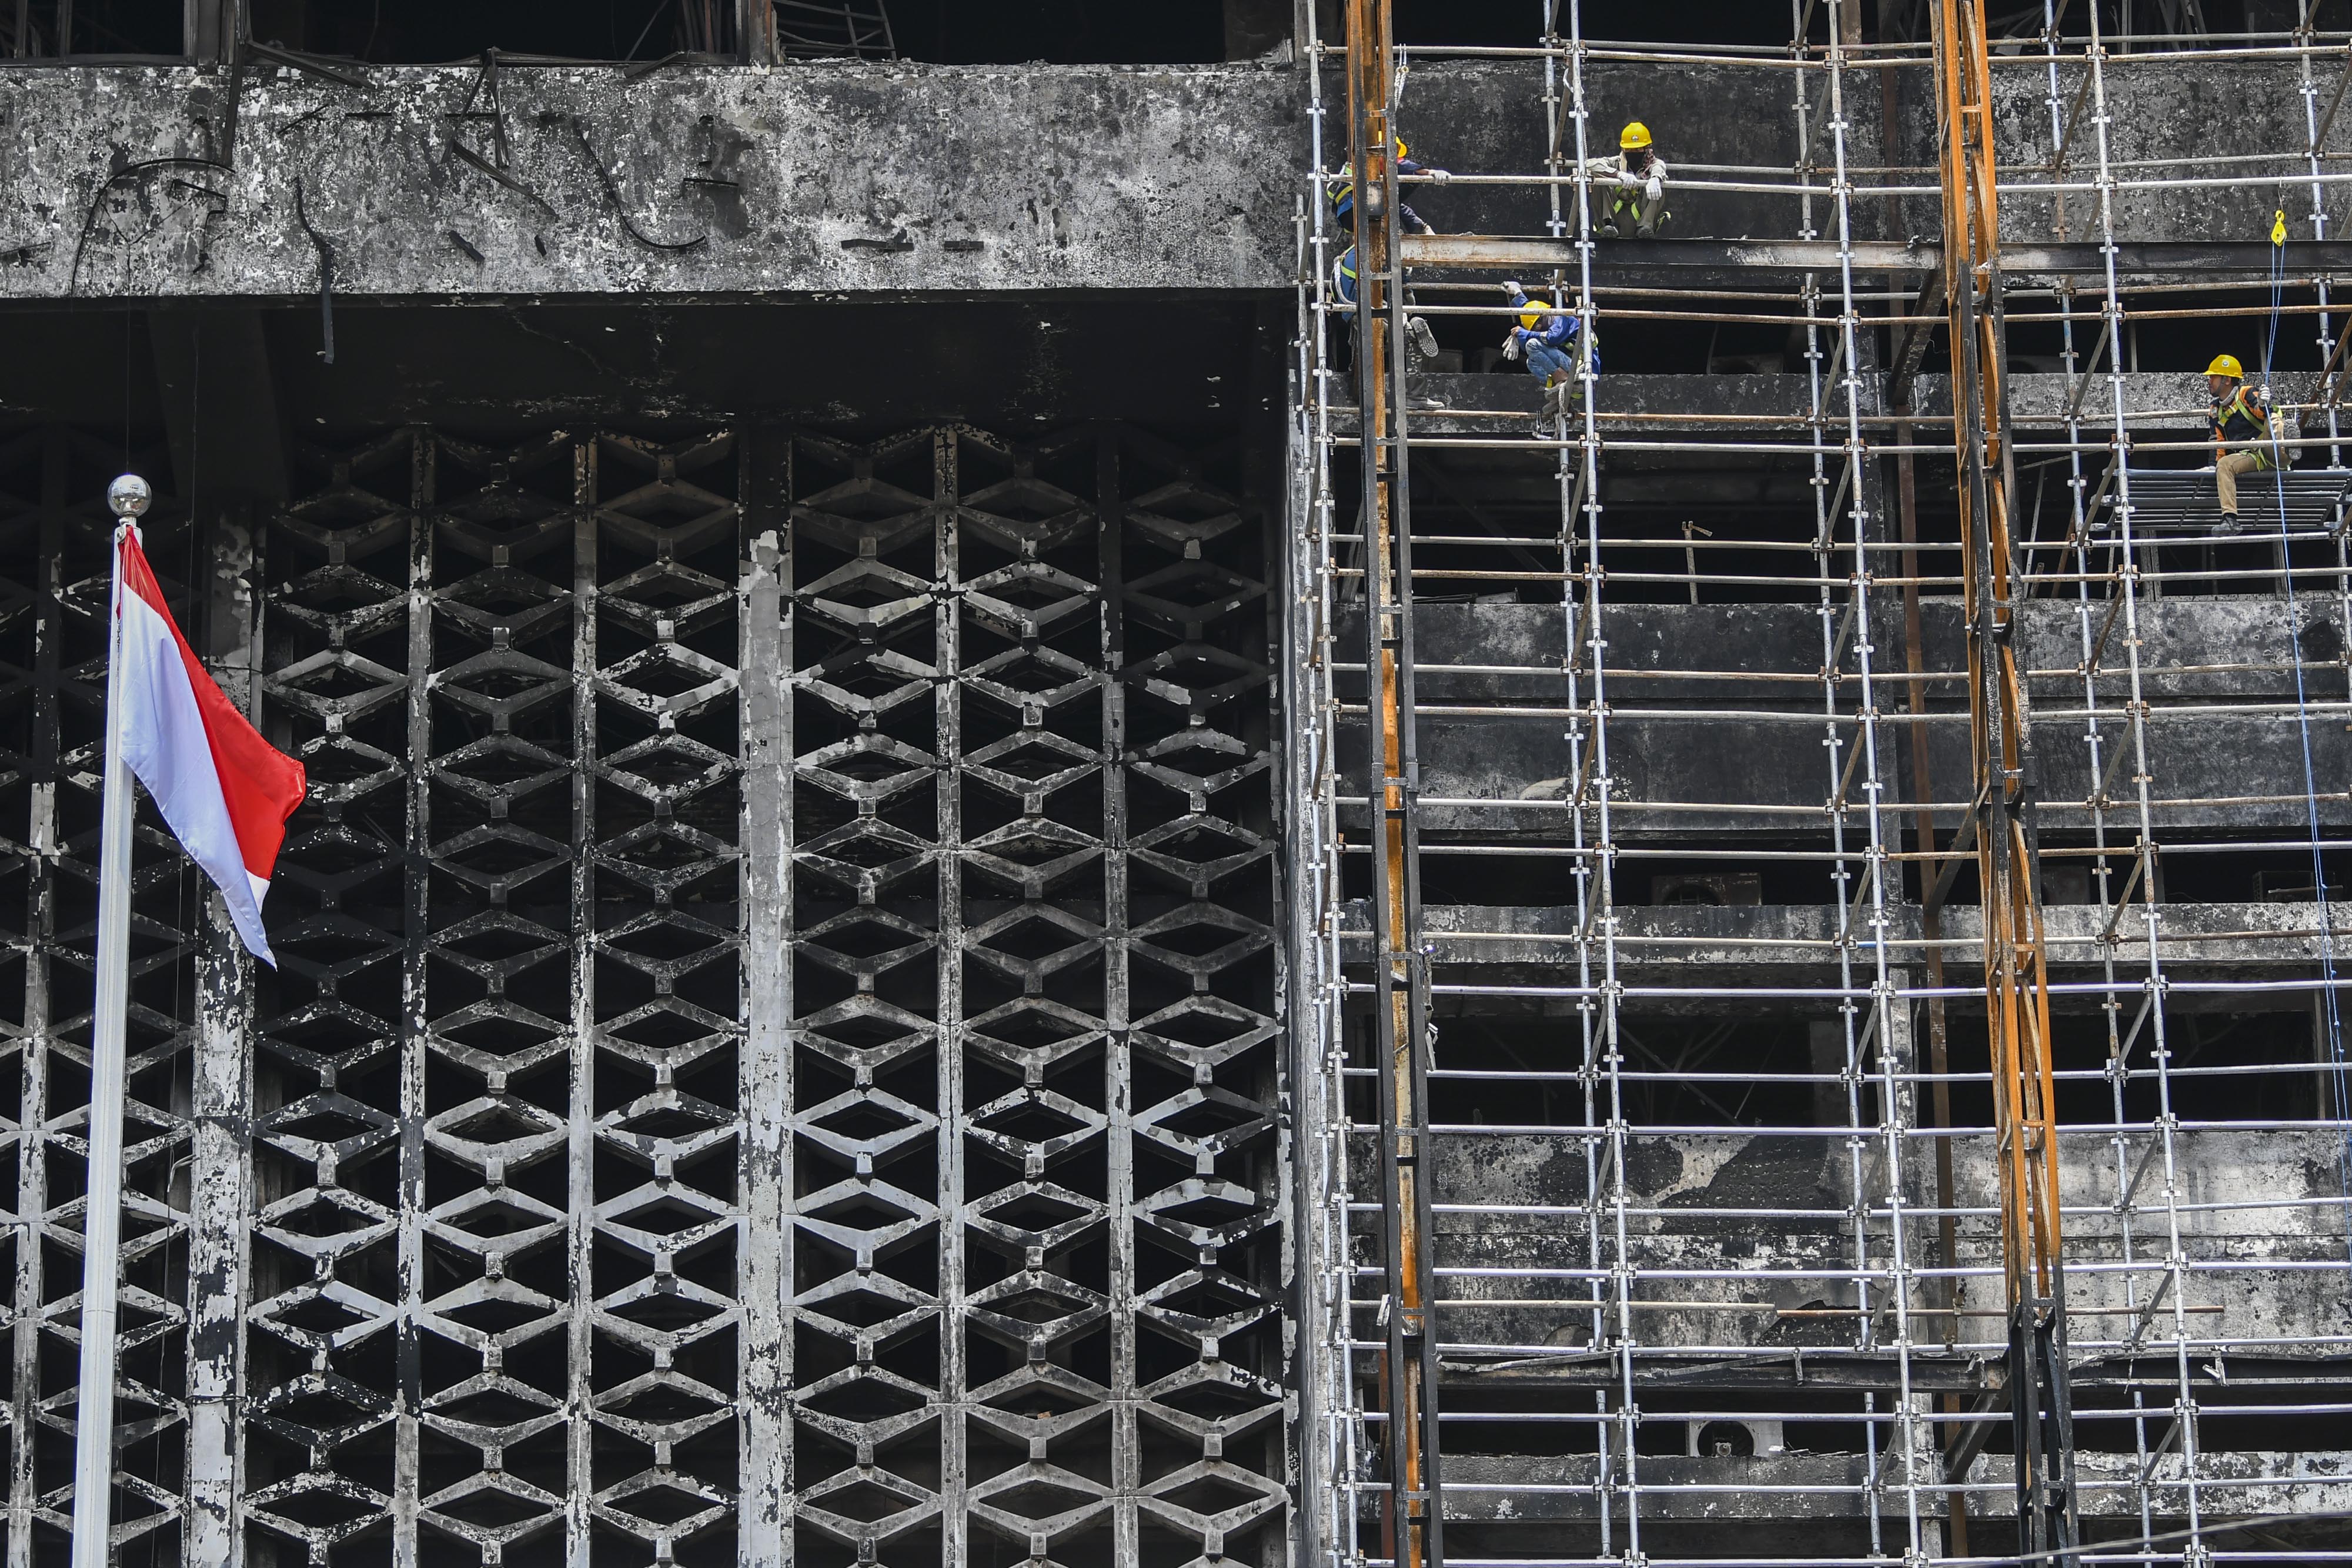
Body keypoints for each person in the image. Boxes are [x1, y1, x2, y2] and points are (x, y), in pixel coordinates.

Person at [1500, 280, 1595, 433]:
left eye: (1539, 325)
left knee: (1532, 344)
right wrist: (1518, 293)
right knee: (1532, 361)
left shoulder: (1564, 319)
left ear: (1546, 314)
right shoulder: (1546, 319)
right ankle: (1560, 384)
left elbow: (1551, 338)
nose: (1540, 328)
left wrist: (1523, 333)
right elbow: (1532, 313)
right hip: (1570, 366)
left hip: (1583, 370)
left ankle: (1562, 379)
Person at [2205, 352, 2286, 526]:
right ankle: (2230, 519)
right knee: (2225, 464)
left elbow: (2260, 411)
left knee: (2274, 420)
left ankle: (2289, 445)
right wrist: (2214, 465)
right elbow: (2217, 442)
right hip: (2252, 458)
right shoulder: (2215, 409)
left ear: (2227, 380)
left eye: (2213, 376)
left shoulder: (2246, 393)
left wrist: (2264, 405)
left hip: (2270, 449)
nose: (2209, 381)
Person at [1336, 245, 1444, 365]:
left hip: (1363, 309)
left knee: (1394, 336)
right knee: (1397, 334)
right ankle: (1411, 325)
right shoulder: (1365, 255)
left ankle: (1410, 329)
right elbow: (1396, 270)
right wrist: (1408, 291)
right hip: (1365, 306)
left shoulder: (1351, 255)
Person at [1331, 137, 1451, 238]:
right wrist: (1429, 172)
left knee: (1394, 200)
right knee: (1390, 196)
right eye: (1391, 151)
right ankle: (1384, 228)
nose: (1393, 157)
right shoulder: (1363, 165)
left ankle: (1419, 228)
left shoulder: (1381, 172)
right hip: (1351, 212)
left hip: (1361, 210)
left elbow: (1403, 168)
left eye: (1396, 152)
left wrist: (1431, 172)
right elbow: (1404, 167)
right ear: (1379, 151)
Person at [1585, 122, 1668, 239]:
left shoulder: (1653, 164)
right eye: (1630, 150)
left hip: (1640, 221)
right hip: (1615, 222)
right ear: (1624, 149)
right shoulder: (1615, 163)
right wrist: (1618, 174)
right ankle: (1609, 224)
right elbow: (1589, 164)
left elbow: (1659, 167)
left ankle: (1645, 227)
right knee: (1597, 177)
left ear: (1646, 148)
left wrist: (1655, 178)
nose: (1634, 153)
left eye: (1638, 149)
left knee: (1660, 182)